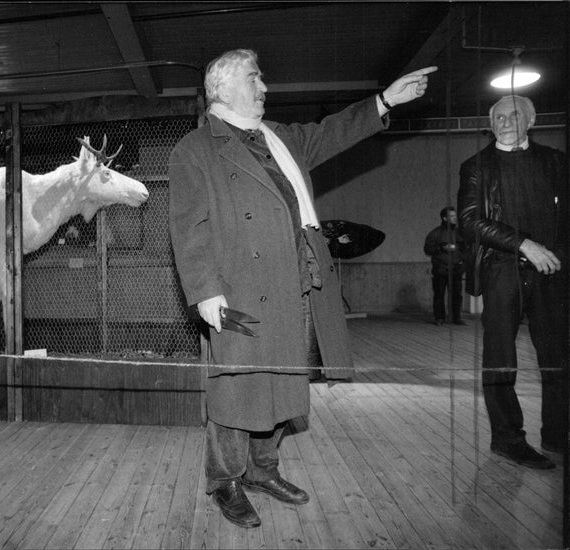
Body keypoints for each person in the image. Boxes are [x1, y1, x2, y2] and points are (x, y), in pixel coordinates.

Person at [168, 48, 436, 528]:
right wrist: (205, 292)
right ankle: (226, 481)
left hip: (295, 284)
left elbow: (332, 131)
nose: (264, 87)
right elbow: (188, 228)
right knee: (237, 392)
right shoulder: (195, 150)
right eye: (255, 78)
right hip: (238, 294)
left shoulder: (279, 138)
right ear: (222, 87)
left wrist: (384, 101)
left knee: (285, 383)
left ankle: (262, 470)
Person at [457, 94, 568, 470]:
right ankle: (508, 439)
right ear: (492, 123)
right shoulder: (476, 166)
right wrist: (523, 244)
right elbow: (470, 221)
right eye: (499, 116)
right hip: (502, 268)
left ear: (531, 120)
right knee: (500, 358)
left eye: (514, 115)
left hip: (550, 270)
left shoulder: (556, 162)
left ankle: (557, 435)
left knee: (557, 358)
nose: (506, 121)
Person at [423, 206, 466, 325]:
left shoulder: (459, 233)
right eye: (451, 216)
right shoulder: (435, 233)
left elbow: (466, 248)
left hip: (456, 269)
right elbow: (427, 249)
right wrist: (440, 248)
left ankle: (456, 317)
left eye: (454, 216)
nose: (454, 218)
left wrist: (462, 263)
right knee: (439, 295)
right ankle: (439, 318)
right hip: (440, 269)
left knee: (457, 295)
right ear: (445, 218)